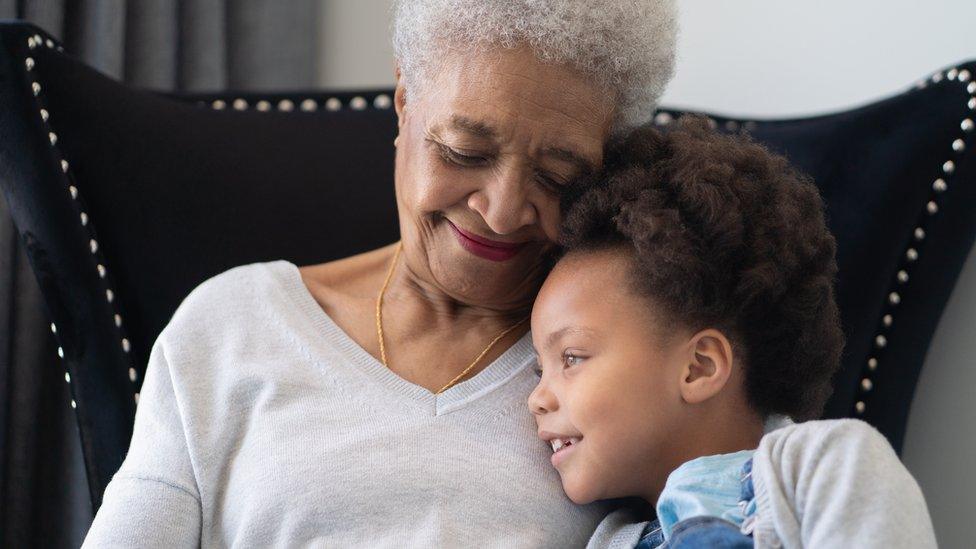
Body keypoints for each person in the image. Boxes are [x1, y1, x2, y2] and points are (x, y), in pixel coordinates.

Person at [82, 1, 679, 546]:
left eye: (556, 176)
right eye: (465, 152)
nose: (500, 211)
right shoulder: (233, 326)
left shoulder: (638, 357)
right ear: (403, 101)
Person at [529, 119, 937, 548]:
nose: (536, 398)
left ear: (698, 366)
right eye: (540, 368)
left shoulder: (826, 467)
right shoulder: (608, 539)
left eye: (571, 358)